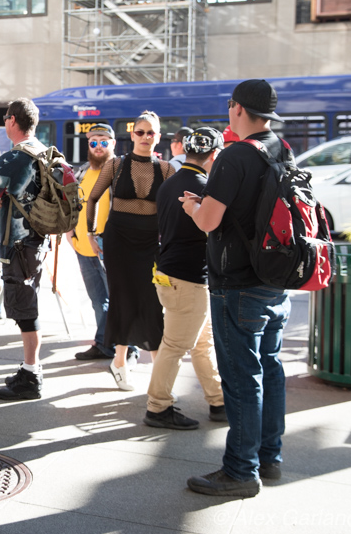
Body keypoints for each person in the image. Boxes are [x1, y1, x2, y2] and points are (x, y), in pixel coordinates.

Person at [180, 79, 291, 498]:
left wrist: (192, 206)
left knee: (242, 379)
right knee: (270, 370)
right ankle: (269, 457)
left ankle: (241, 471)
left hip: (238, 283)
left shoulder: (234, 156)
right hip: (275, 278)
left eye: (230, 104)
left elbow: (209, 221)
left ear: (238, 108)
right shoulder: (281, 148)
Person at [87, 111, 175, 391]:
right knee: (122, 298)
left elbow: (174, 209)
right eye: (140, 132)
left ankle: (158, 371)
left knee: (151, 302)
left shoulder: (166, 169)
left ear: (158, 137)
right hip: (118, 239)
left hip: (150, 241)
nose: (145, 137)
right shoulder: (115, 165)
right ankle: (120, 361)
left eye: (151, 133)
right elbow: (93, 198)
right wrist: (91, 233)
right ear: (132, 135)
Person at [144, 127, 225, 430]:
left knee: (201, 344)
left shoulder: (170, 184)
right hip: (189, 278)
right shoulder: (205, 188)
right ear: (214, 155)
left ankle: (218, 401)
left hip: (172, 273)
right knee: (175, 346)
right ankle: (158, 407)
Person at [0, 99, 50, 400]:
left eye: (6, 117)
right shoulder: (46, 153)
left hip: (18, 245)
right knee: (29, 303)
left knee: (25, 310)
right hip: (40, 242)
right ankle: (30, 368)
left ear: (12, 121)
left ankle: (31, 375)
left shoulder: (11, 159)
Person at [70, 124, 120, 362]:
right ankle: (104, 344)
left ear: (113, 144)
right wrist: (70, 232)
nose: (98, 147)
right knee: (99, 301)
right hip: (83, 247)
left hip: (109, 247)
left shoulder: (119, 172)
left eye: (103, 142)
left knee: (119, 299)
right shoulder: (81, 172)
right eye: (93, 142)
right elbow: (73, 204)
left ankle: (126, 346)